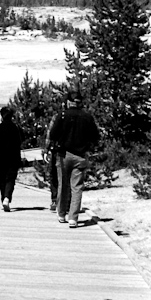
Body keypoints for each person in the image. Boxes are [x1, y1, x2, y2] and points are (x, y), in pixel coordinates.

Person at [48, 83, 100, 227]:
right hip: (81, 155)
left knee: (63, 185)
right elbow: (95, 136)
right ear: (80, 102)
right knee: (76, 187)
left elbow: (53, 134)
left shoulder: (62, 115)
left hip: (63, 155)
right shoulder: (87, 117)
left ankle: (61, 213)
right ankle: (73, 218)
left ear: (68, 102)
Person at [0, 106, 23, 212]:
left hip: (0, 156)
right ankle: (7, 198)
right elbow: (21, 140)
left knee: (2, 178)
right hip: (13, 156)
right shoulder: (15, 128)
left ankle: (3, 198)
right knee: (10, 178)